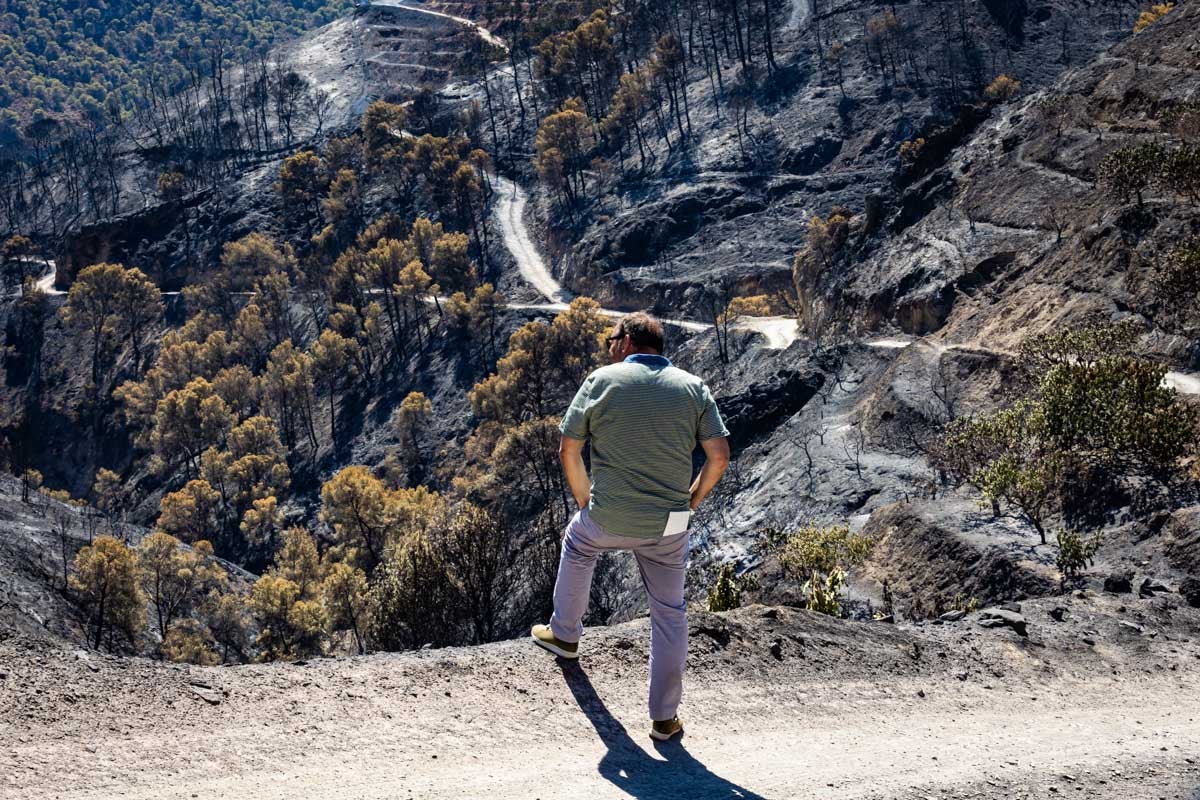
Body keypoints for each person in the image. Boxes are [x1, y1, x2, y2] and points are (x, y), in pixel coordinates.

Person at [531, 311, 731, 742]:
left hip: (609, 514)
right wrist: (692, 501)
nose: (608, 345)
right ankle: (664, 719)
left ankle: (565, 634)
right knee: (669, 612)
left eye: (611, 338)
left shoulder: (601, 381)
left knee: (579, 542)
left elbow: (569, 450)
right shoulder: (693, 388)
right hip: (670, 522)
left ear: (627, 341)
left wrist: (586, 500)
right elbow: (719, 456)